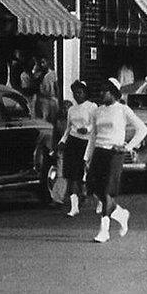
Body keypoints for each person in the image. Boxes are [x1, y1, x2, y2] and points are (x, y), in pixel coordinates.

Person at [84, 78, 147, 243]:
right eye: (100, 90)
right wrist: (87, 157)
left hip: (114, 153)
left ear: (113, 92)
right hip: (99, 152)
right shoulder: (97, 111)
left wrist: (127, 147)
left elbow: (142, 129)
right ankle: (121, 214)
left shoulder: (123, 109)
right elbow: (93, 136)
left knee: (106, 191)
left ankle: (104, 231)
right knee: (94, 189)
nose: (101, 93)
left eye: (104, 90)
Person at [58, 80, 96, 217]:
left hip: (86, 142)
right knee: (72, 174)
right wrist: (62, 141)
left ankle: (96, 198)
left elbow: (94, 125)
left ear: (85, 93)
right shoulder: (71, 110)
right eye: (75, 93)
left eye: (79, 93)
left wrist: (87, 129)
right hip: (73, 142)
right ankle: (74, 207)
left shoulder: (92, 107)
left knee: (86, 172)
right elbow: (68, 128)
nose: (77, 95)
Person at [35, 58, 62, 129]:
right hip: (44, 99)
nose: (42, 65)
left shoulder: (53, 74)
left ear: (48, 63)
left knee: (54, 118)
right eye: (41, 63)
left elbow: (56, 86)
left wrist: (57, 97)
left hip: (52, 99)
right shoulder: (40, 75)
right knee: (45, 118)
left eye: (43, 62)